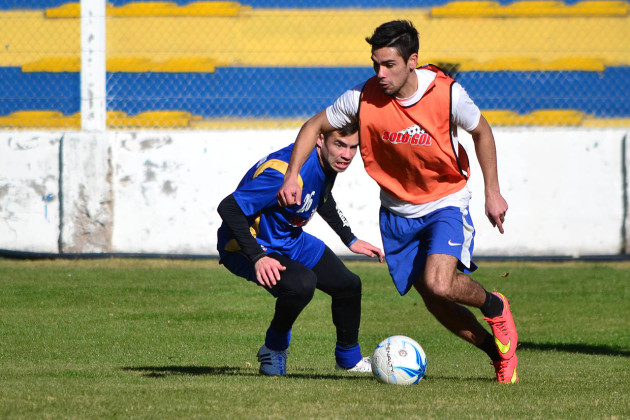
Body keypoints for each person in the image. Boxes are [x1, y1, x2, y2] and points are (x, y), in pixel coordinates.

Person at [276, 20, 519, 383]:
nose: (380, 73)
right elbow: (314, 126)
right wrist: (291, 174)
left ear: (412, 61)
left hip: (445, 201)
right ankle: (496, 354)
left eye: (388, 64)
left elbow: (482, 131)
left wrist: (492, 191)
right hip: (397, 213)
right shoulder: (361, 97)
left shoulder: (448, 94)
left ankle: (495, 305)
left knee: (440, 282)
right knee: (435, 299)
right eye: (375, 63)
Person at [217, 123, 384, 377]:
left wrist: (350, 239)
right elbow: (229, 207)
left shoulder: (326, 163)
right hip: (246, 246)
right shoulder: (282, 174)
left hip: (290, 239)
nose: (347, 155)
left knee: (349, 286)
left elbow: (322, 198)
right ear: (319, 139)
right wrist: (258, 257)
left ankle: (348, 360)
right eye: (340, 145)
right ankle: (272, 349)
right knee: (301, 284)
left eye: (353, 147)